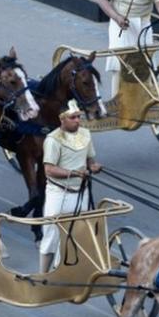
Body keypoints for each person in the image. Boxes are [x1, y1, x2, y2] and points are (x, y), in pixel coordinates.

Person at [39, 100, 103, 273]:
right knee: (51, 235)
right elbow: (49, 169)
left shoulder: (85, 134)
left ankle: (63, 271)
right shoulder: (53, 140)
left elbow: (89, 160)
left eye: (79, 117)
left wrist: (93, 166)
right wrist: (74, 173)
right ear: (62, 120)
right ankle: (43, 275)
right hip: (58, 193)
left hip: (80, 192)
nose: (77, 120)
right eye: (73, 117)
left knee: (76, 234)